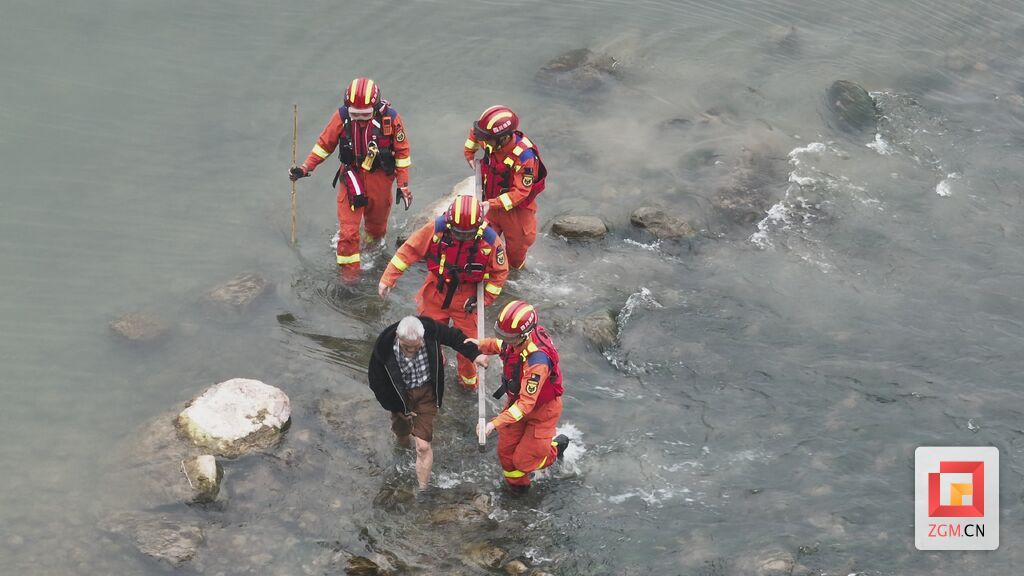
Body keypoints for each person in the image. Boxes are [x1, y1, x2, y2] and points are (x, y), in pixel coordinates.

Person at [378, 195, 508, 391]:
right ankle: (436, 362)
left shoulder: (490, 241)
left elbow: (499, 273)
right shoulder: (436, 229)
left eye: (468, 234)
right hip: (436, 290)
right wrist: (388, 278)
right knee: (428, 335)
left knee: (468, 347)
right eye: (458, 233)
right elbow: (409, 251)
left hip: (467, 297)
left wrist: (483, 300)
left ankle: (468, 384)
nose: (463, 237)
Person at [290, 77, 412, 283]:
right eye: (356, 114)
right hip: (352, 177)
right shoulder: (342, 117)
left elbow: (402, 153)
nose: (360, 119)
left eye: (364, 115)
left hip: (380, 179)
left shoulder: (390, 119)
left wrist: (403, 184)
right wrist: (305, 167)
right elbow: (324, 145)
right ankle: (349, 280)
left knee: (376, 231)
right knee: (347, 233)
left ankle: (372, 255)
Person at [368, 316, 488, 490]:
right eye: (406, 347)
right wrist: (397, 407)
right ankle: (401, 449)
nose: (411, 351)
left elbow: (454, 337)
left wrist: (475, 355)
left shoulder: (430, 329)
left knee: (423, 446)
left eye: (415, 347)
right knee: (402, 433)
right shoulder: (384, 347)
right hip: (400, 395)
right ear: (397, 336)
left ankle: (422, 489)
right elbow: (377, 383)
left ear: (423, 337)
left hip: (426, 393)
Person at [473, 300, 570, 494]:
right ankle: (519, 489)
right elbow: (504, 346)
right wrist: (482, 345)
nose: (504, 339)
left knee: (523, 460)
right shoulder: (519, 338)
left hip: (542, 411)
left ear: (524, 335)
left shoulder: (537, 362)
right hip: (517, 402)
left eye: (508, 337)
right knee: (506, 455)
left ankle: (555, 448)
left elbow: (526, 405)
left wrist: (494, 424)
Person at [463, 105, 547, 271]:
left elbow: (521, 192)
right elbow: (474, 134)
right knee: (480, 245)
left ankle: (512, 278)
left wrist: (491, 204)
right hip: (491, 204)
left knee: (515, 257)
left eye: (487, 139)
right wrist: (469, 152)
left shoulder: (525, 157)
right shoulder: (490, 138)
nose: (484, 142)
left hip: (516, 213)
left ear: (503, 138)